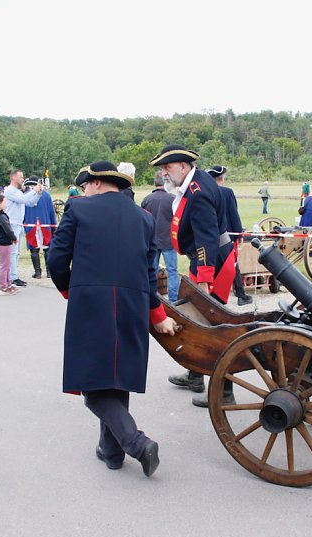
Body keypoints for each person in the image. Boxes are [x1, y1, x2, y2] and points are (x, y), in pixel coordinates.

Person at [47, 161, 177, 477]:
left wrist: (70, 289)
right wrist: (156, 313)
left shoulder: (78, 210)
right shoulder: (144, 218)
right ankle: (112, 451)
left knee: (93, 385)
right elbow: (149, 274)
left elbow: (56, 259)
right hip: (132, 302)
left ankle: (136, 442)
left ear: (97, 183)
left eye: (87, 185)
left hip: (91, 301)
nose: (85, 190)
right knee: (117, 377)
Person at [149, 144, 237, 405]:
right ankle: (195, 376)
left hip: (212, 263)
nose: (164, 172)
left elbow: (206, 237)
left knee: (213, 327)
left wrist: (204, 276)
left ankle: (225, 392)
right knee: (200, 321)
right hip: (208, 259)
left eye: (168, 167)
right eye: (163, 168)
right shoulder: (195, 183)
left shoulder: (198, 191)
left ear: (183, 166)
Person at [206, 165, 252, 307]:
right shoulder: (227, 192)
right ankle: (240, 294)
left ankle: (213, 294)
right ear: (221, 179)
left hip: (210, 235)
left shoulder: (205, 192)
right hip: (227, 236)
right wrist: (239, 232)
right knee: (232, 264)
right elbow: (233, 213)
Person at [140, 173, 179, 303]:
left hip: (152, 241)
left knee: (152, 271)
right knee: (172, 271)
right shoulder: (173, 199)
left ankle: (153, 298)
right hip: (169, 240)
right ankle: (173, 300)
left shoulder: (147, 199)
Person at [3, 169, 42, 287]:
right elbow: (24, 199)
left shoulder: (18, 191)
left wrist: (38, 194)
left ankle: (13, 275)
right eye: (20, 177)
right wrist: (33, 191)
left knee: (17, 252)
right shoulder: (9, 190)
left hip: (19, 224)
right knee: (13, 252)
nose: (22, 179)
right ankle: (12, 277)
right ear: (13, 177)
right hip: (12, 223)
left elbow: (30, 202)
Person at [22, 176, 57, 279]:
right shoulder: (46, 194)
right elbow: (52, 211)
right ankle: (49, 272)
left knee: (34, 249)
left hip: (31, 223)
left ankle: (38, 273)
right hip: (45, 223)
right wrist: (53, 225)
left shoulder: (25, 195)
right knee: (47, 248)